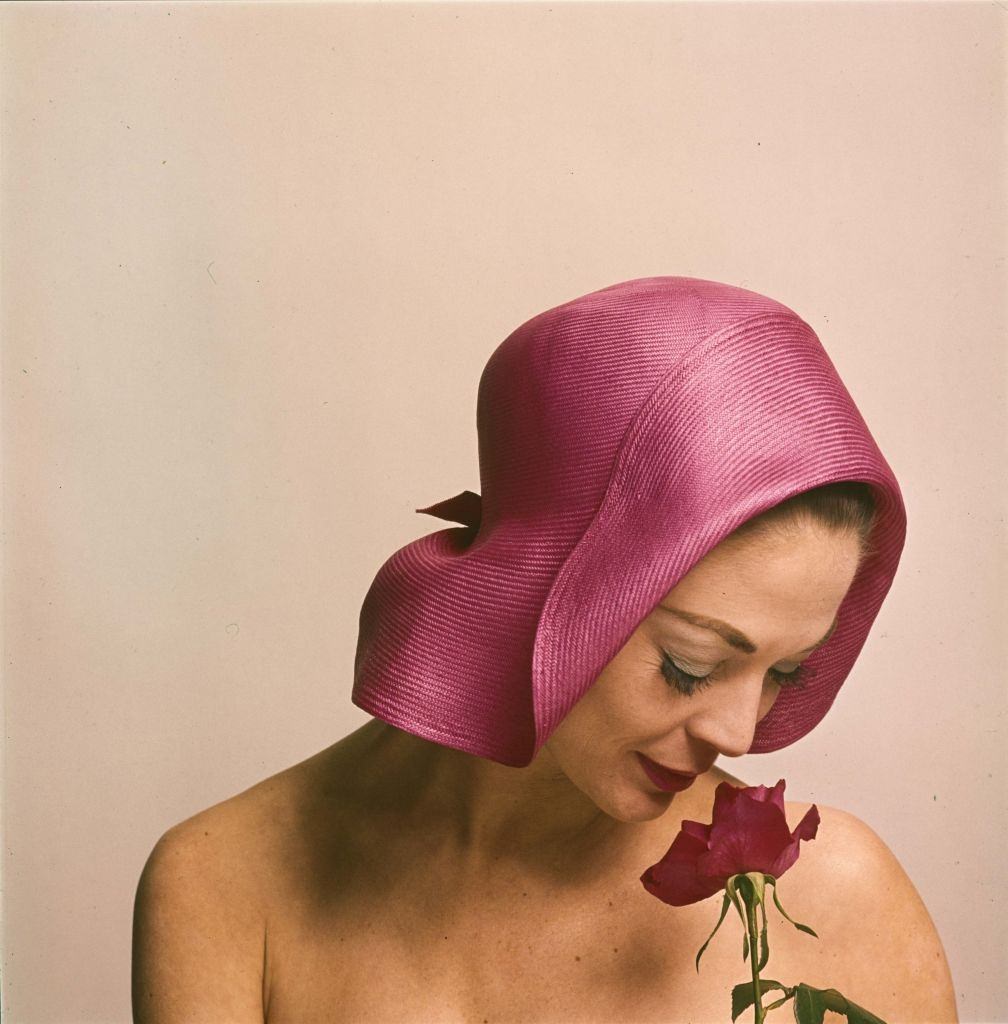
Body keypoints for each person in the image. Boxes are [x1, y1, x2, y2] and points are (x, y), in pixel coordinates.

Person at [132, 277, 958, 1023]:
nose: (739, 735)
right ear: (537, 580)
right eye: (691, 664)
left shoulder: (839, 893)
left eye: (784, 672)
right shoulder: (223, 886)